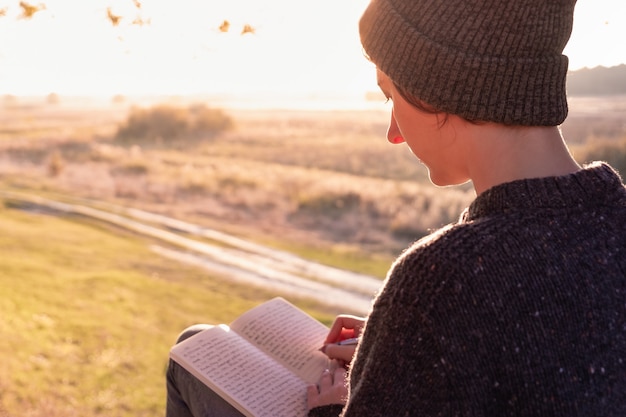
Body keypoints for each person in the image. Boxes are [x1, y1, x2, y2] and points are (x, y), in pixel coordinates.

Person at [167, 0, 626, 415]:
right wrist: (405, 352)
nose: (393, 133)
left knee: (190, 353)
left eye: (392, 96)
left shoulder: (448, 278)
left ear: (437, 91)